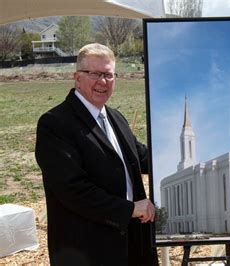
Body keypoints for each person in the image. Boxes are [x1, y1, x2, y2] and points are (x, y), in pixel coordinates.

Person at [35, 43, 158, 266]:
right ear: (77, 77)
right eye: (95, 74)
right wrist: (130, 209)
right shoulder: (55, 123)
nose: (103, 82)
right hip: (88, 249)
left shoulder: (115, 117)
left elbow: (141, 158)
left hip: (131, 242)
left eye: (109, 75)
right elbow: (73, 190)